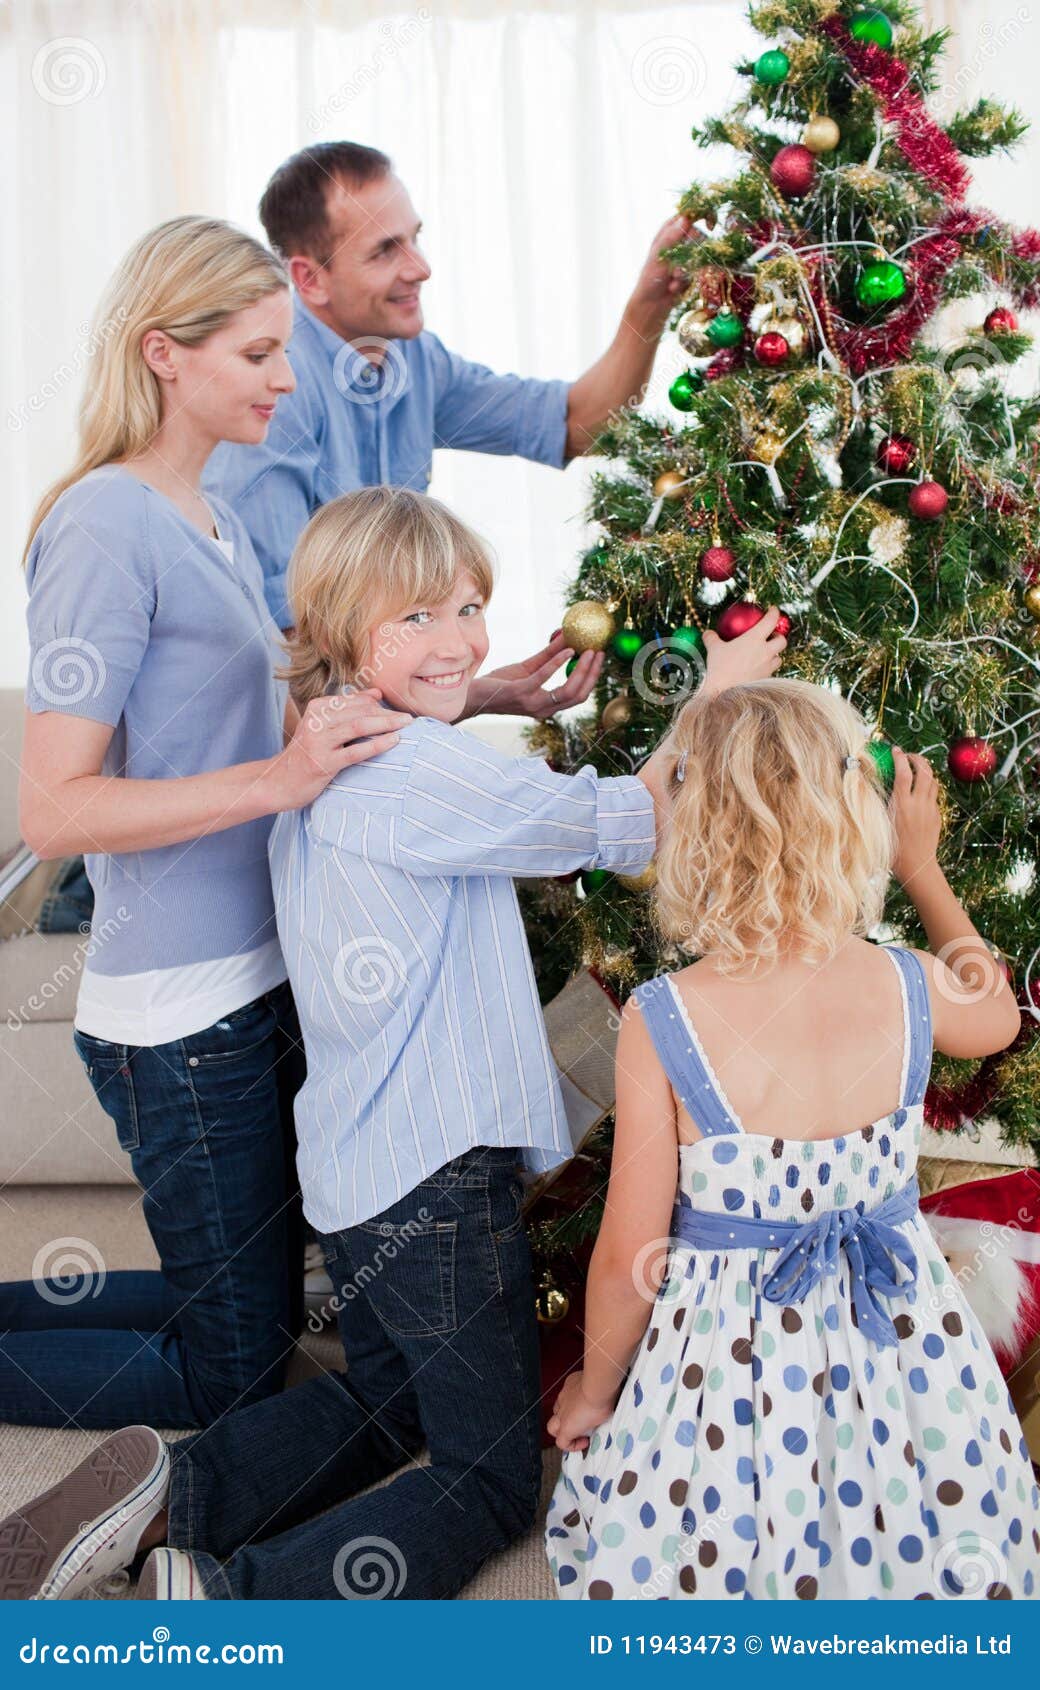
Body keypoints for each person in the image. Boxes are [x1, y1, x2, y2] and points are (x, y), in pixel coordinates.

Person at [0, 489, 785, 1601]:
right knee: (489, 1477)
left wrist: (473, 694)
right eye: (416, 616)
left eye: (467, 605)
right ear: (342, 627)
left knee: (384, 1393)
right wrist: (713, 698)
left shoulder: (330, 744)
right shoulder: (420, 773)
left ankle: (179, 1490)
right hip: (439, 1178)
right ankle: (230, 1601)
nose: (460, 637)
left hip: (355, 1170)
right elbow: (627, 822)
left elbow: (431, 774)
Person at [2, 213, 412, 1438]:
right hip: (177, 1017)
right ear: (162, 352)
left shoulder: (213, 519)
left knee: (243, 1315)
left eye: (285, 350)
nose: (287, 379)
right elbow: (54, 806)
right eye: (255, 353)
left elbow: (261, 709)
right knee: (227, 1376)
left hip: (252, 976)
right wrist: (276, 785)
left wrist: (468, 686)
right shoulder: (102, 526)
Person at [544, 679, 1039, 1600]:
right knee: (918, 1515)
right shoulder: (910, 982)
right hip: (904, 1348)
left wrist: (594, 1392)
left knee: (711, 1540)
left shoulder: (666, 1018)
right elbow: (1001, 1015)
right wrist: (923, 871)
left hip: (728, 1370)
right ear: (856, 822)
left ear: (690, 831)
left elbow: (628, 1258)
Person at [202, 141, 693, 635]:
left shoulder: (414, 358)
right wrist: (448, 700)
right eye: (384, 251)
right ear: (310, 280)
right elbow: (285, 633)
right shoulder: (272, 391)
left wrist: (649, 306)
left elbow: (577, 425)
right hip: (305, 703)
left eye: (414, 238)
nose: (420, 268)